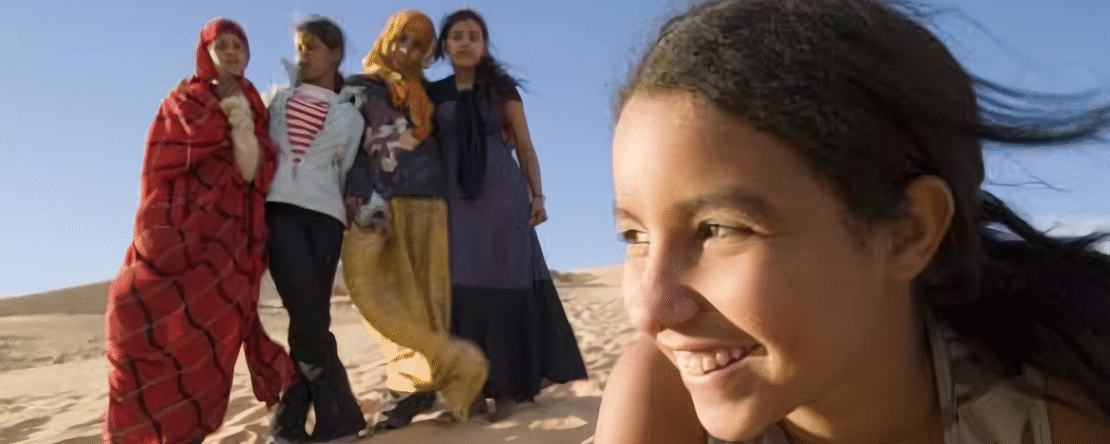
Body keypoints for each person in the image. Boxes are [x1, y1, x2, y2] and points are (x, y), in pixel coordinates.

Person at [595, 1, 1110, 443]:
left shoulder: (1053, 420)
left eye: (720, 229)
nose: (651, 308)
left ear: (910, 231)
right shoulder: (662, 406)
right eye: (635, 237)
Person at [102, 17, 299, 444]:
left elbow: (255, 172)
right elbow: (158, 167)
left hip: (224, 250)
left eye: (239, 47)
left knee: (207, 347)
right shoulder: (181, 99)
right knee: (133, 322)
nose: (231, 53)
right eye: (222, 45)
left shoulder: (254, 106)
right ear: (205, 52)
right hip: (171, 239)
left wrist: (241, 122)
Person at [429, 8, 589, 422]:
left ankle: (508, 394)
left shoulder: (501, 90)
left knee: (502, 290)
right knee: (460, 294)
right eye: (457, 36)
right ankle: (469, 396)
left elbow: (525, 145)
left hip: (502, 198)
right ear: (445, 45)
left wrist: (538, 195)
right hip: (453, 204)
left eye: (474, 36)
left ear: (483, 45)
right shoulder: (432, 94)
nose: (465, 42)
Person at [340, 9, 488, 429]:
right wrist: (358, 196)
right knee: (376, 295)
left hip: (428, 198)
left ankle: (415, 388)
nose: (407, 50)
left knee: (426, 297)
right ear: (388, 38)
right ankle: (429, 374)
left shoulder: (431, 92)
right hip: (377, 204)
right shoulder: (359, 86)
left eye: (419, 45)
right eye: (402, 39)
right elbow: (350, 146)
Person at [263, 16, 367, 444]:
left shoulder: (351, 114)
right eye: (300, 47)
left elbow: (347, 173)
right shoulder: (275, 98)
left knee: (310, 322)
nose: (303, 55)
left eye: (312, 47)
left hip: (325, 220)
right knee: (309, 322)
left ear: (335, 53)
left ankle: (289, 429)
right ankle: (336, 420)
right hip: (279, 211)